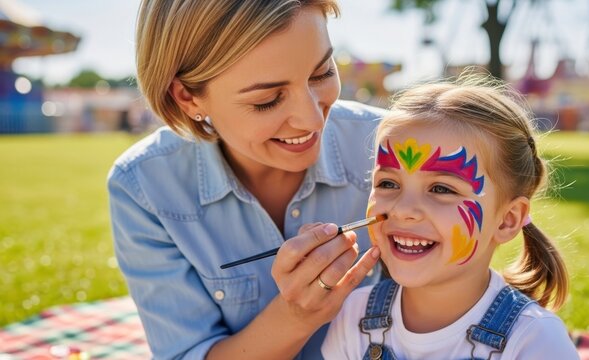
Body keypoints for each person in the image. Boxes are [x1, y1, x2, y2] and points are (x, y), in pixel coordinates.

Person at [107, 1, 384, 359]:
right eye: (267, 100)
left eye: (321, 74)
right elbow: (187, 352)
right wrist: (295, 317)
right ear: (187, 97)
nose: (313, 120)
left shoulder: (390, 145)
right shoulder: (144, 187)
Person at [321, 76, 579, 359]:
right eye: (388, 184)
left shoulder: (535, 341)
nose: (402, 209)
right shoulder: (352, 317)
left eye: (442, 188)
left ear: (507, 220)